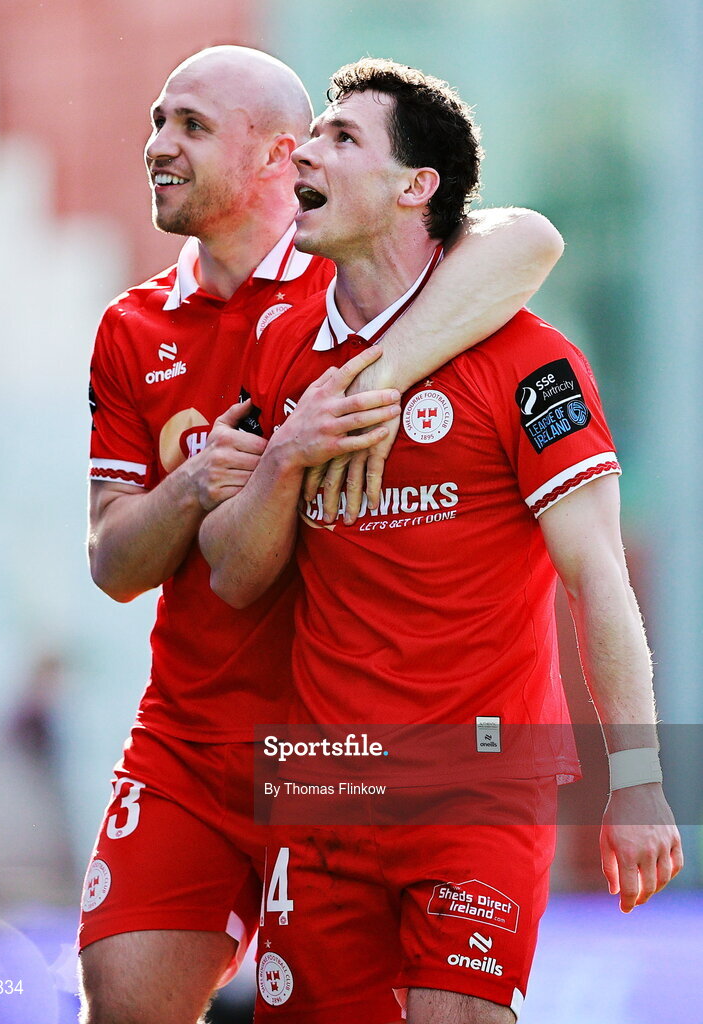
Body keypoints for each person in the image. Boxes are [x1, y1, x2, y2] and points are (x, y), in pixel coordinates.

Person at [79, 44, 565, 1024]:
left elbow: (527, 239)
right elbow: (112, 564)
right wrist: (194, 486)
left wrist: (371, 375)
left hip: (353, 751)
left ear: (279, 155)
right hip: (194, 736)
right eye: (156, 121)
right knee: (123, 995)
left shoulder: (350, 279)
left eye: (191, 127)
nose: (156, 147)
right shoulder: (132, 326)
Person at [200, 57, 684, 1024]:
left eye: (344, 138)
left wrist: (638, 783)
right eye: (313, 133)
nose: (309, 150)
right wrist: (284, 461)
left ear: (416, 186)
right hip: (323, 780)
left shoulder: (528, 361)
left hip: (474, 781)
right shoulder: (285, 352)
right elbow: (234, 578)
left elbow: (597, 578)